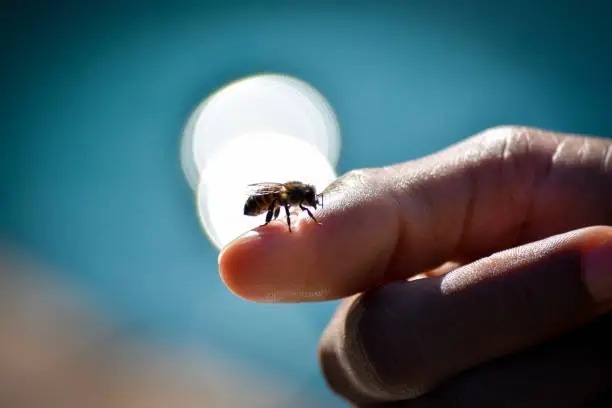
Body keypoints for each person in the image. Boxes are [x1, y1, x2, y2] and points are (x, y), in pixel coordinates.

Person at [218, 126, 612, 407]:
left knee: (385, 352)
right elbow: (282, 204)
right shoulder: (289, 198)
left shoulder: (296, 198)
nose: (310, 204)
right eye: (308, 200)